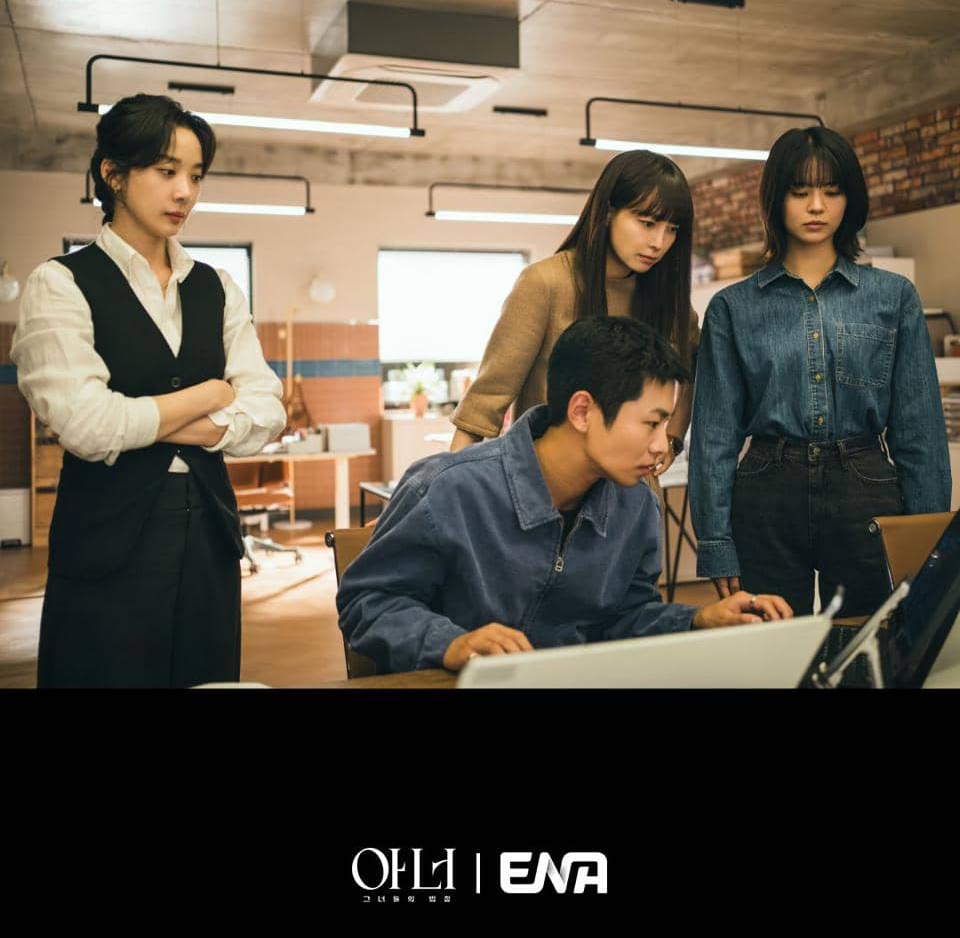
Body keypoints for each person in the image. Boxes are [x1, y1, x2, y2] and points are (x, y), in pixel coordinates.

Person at [12, 93, 287, 687]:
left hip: (210, 536)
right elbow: (88, 427)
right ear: (113, 174)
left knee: (207, 680)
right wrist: (211, 394)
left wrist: (143, 420)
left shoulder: (216, 286)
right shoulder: (60, 283)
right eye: (166, 171)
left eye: (196, 175)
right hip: (106, 544)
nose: (185, 192)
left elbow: (267, 411)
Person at [337, 316, 791, 675]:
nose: (661, 446)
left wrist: (697, 620)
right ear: (582, 410)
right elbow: (367, 603)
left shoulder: (636, 505)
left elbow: (624, 619)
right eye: (651, 423)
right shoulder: (447, 488)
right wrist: (451, 644)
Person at [688, 125, 952, 617]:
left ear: (850, 199)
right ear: (776, 199)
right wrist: (716, 541)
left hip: (864, 487)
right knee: (773, 644)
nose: (816, 206)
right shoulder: (733, 307)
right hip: (767, 491)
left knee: (869, 640)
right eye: (799, 191)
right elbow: (714, 436)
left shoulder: (893, 297)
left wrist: (929, 539)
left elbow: (919, 428)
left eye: (832, 191)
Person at [449, 150, 699, 485]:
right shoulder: (547, 283)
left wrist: (673, 436)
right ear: (608, 212)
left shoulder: (669, 302)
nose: (659, 242)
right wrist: (449, 488)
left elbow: (691, 371)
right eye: (647, 223)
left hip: (630, 493)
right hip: (548, 487)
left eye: (672, 229)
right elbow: (484, 405)